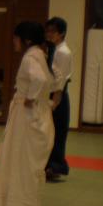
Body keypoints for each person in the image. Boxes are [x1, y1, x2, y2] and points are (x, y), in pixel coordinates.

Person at [0, 22, 55, 206]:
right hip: (37, 117)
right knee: (29, 169)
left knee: (22, 167)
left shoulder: (30, 57)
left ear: (26, 39)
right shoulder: (40, 55)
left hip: (27, 119)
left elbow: (40, 80)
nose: (14, 42)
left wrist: (30, 98)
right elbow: (51, 81)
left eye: (16, 38)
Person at [45, 17, 72, 181]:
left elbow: (60, 81)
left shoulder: (63, 52)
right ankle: (50, 166)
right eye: (47, 31)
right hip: (52, 93)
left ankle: (55, 166)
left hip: (58, 95)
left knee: (57, 132)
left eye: (53, 31)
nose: (49, 34)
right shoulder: (53, 49)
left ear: (61, 33)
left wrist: (55, 102)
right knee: (50, 132)